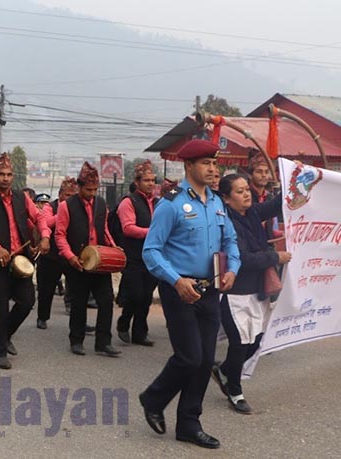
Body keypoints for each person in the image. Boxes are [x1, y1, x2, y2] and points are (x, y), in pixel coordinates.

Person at [139, 139, 241, 449]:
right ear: (189, 166)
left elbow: (230, 243)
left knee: (206, 358)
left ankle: (188, 423)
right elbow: (151, 251)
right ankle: (153, 399)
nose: (213, 169)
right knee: (190, 356)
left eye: (215, 163)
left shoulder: (217, 202)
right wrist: (175, 280)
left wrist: (232, 269)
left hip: (210, 290)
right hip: (179, 290)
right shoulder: (171, 203)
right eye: (206, 163)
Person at [211, 174, 291, 414]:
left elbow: (278, 203)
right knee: (239, 342)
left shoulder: (254, 212)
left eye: (247, 189)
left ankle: (224, 371)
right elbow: (242, 258)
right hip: (234, 292)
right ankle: (235, 391)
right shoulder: (225, 223)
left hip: (258, 289)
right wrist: (275, 257)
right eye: (239, 191)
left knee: (256, 341)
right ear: (226, 198)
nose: (246, 194)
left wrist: (294, 178)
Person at [0, 153, 50, 370]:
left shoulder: (21, 198)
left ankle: (5, 335)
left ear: (13, 177)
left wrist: (45, 236)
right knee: (0, 307)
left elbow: (40, 217)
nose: (5, 178)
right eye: (1, 174)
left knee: (27, 302)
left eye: (9, 174)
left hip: (22, 259)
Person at [55, 162, 122, 358]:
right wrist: (70, 257)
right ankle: (76, 340)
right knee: (78, 303)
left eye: (95, 189)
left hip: (99, 261)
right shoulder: (66, 206)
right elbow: (59, 236)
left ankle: (103, 342)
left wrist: (113, 246)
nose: (92, 193)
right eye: (88, 189)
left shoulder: (101, 204)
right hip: (78, 262)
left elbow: (104, 230)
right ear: (79, 186)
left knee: (107, 301)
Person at [115, 160, 158, 347]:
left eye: (152, 180)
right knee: (137, 295)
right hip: (133, 257)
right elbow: (128, 228)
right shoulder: (128, 202)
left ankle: (140, 333)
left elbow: (173, 201)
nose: (150, 184)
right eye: (147, 180)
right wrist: (153, 232)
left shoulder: (157, 201)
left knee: (147, 297)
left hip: (152, 257)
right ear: (137, 182)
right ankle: (124, 322)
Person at [36, 177, 77, 330]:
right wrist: (62, 211)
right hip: (52, 255)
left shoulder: (77, 208)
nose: (70, 199)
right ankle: (42, 317)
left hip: (70, 254)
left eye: (73, 196)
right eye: (67, 196)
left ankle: (77, 318)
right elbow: (46, 223)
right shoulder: (50, 207)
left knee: (76, 288)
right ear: (60, 195)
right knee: (46, 289)